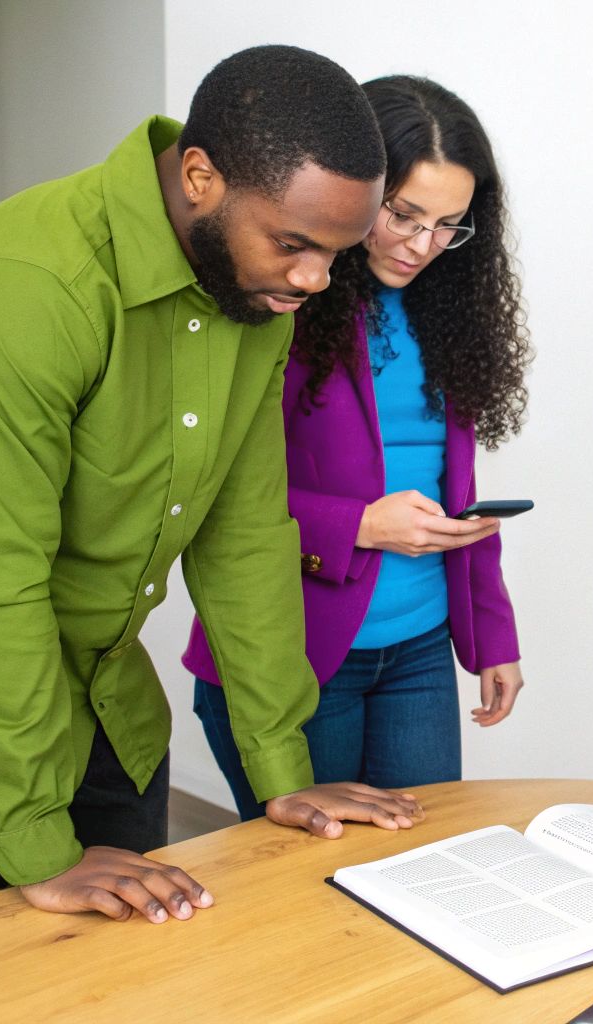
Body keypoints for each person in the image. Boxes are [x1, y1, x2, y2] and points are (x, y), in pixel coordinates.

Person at [0, 45, 425, 928]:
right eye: (295, 244)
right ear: (199, 177)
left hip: (103, 700)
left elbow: (244, 533)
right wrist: (38, 841)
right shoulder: (27, 286)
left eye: (335, 254)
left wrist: (280, 767)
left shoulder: (258, 289)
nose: (314, 280)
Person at [184, 76, 532, 820]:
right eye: (403, 215)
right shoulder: (278, 299)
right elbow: (210, 492)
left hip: (419, 647)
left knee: (427, 865)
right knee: (312, 895)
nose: (422, 245)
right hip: (296, 648)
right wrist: (361, 526)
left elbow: (453, 484)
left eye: (449, 225)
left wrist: (493, 633)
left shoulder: (451, 314)